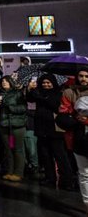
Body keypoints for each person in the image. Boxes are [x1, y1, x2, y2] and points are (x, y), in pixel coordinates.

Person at [27, 73, 74, 190]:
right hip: (41, 128)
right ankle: (50, 178)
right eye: (43, 82)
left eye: (48, 82)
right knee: (45, 155)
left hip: (55, 129)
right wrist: (30, 89)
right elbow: (29, 98)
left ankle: (67, 180)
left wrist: (42, 98)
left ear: (53, 83)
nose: (46, 85)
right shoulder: (38, 92)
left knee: (60, 156)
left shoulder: (58, 93)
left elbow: (55, 105)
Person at [57, 69, 88, 213]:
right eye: (81, 76)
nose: (83, 79)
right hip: (78, 139)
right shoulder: (69, 93)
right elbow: (63, 116)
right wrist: (76, 119)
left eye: (86, 76)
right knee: (84, 174)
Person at [0, 75, 26, 181]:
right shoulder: (0, 94)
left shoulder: (18, 93)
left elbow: (23, 108)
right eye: (2, 81)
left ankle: (18, 173)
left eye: (6, 81)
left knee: (17, 149)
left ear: (11, 82)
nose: (4, 82)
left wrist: (9, 106)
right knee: (8, 149)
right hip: (4, 125)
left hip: (16, 126)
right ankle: (10, 171)